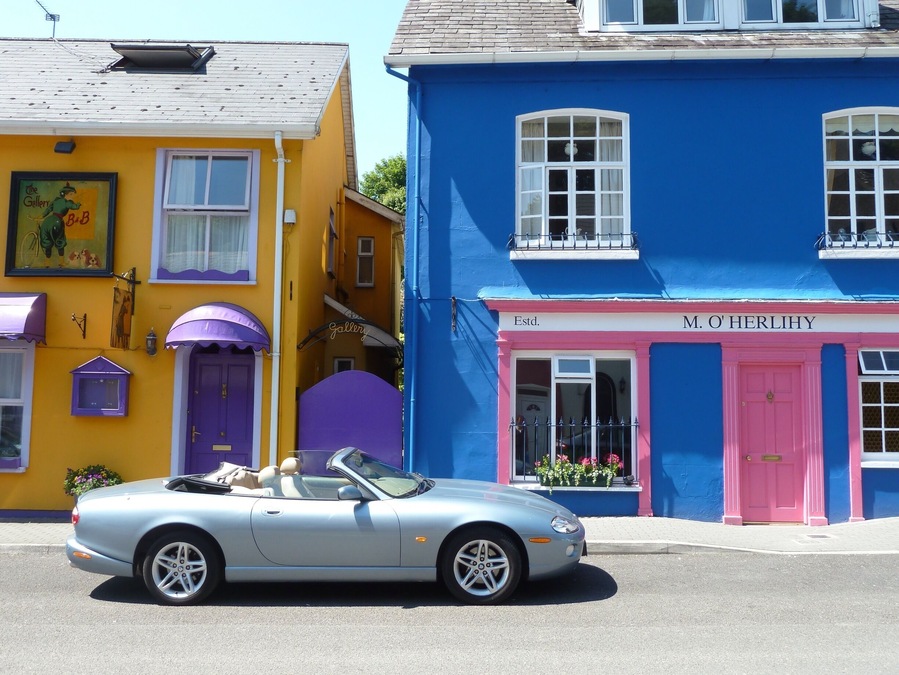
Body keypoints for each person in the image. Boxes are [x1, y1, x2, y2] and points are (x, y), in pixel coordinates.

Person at [39, 183, 80, 266]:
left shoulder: (56, 200)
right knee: (60, 240)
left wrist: (41, 216)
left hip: (47, 221)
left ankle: (47, 262)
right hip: (57, 222)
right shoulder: (67, 202)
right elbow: (74, 207)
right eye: (71, 194)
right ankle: (61, 262)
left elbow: (48, 209)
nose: (72, 196)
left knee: (47, 241)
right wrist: (78, 204)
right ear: (64, 194)